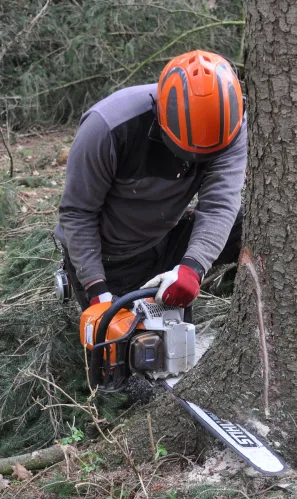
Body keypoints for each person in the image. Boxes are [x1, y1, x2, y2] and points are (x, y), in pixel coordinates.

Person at [53, 49, 246, 314]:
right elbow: (78, 212)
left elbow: (220, 203)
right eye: (186, 153)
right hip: (113, 256)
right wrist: (96, 289)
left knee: (254, 224)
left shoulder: (231, 123)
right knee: (135, 344)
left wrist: (193, 267)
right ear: (161, 116)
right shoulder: (109, 127)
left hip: (166, 233)